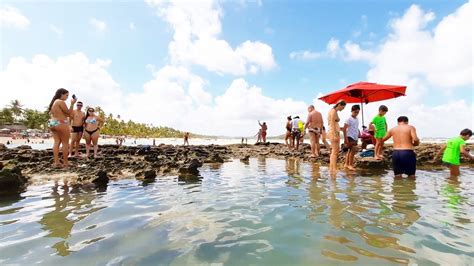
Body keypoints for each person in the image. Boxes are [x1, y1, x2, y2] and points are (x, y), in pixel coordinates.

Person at [48, 88, 75, 167]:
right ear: (61, 94)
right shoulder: (60, 102)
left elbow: (64, 114)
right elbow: (69, 113)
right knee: (65, 143)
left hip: (53, 123)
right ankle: (66, 163)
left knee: (56, 142)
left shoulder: (54, 102)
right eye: (66, 95)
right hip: (61, 123)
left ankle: (56, 162)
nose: (67, 97)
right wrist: (72, 104)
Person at [328, 100, 346, 174]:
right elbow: (332, 124)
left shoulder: (333, 111)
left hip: (334, 131)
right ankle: (334, 169)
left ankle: (332, 168)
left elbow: (334, 122)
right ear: (339, 105)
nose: (343, 109)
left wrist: (339, 128)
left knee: (334, 151)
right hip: (333, 132)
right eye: (343, 107)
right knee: (335, 151)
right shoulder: (333, 112)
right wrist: (334, 134)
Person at [343, 105, 361, 170]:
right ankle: (350, 165)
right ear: (352, 111)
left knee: (349, 150)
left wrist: (359, 133)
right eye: (355, 112)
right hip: (350, 136)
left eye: (358, 112)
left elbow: (356, 127)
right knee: (353, 150)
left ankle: (346, 164)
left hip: (355, 136)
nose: (356, 113)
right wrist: (345, 138)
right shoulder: (349, 119)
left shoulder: (357, 119)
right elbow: (344, 129)